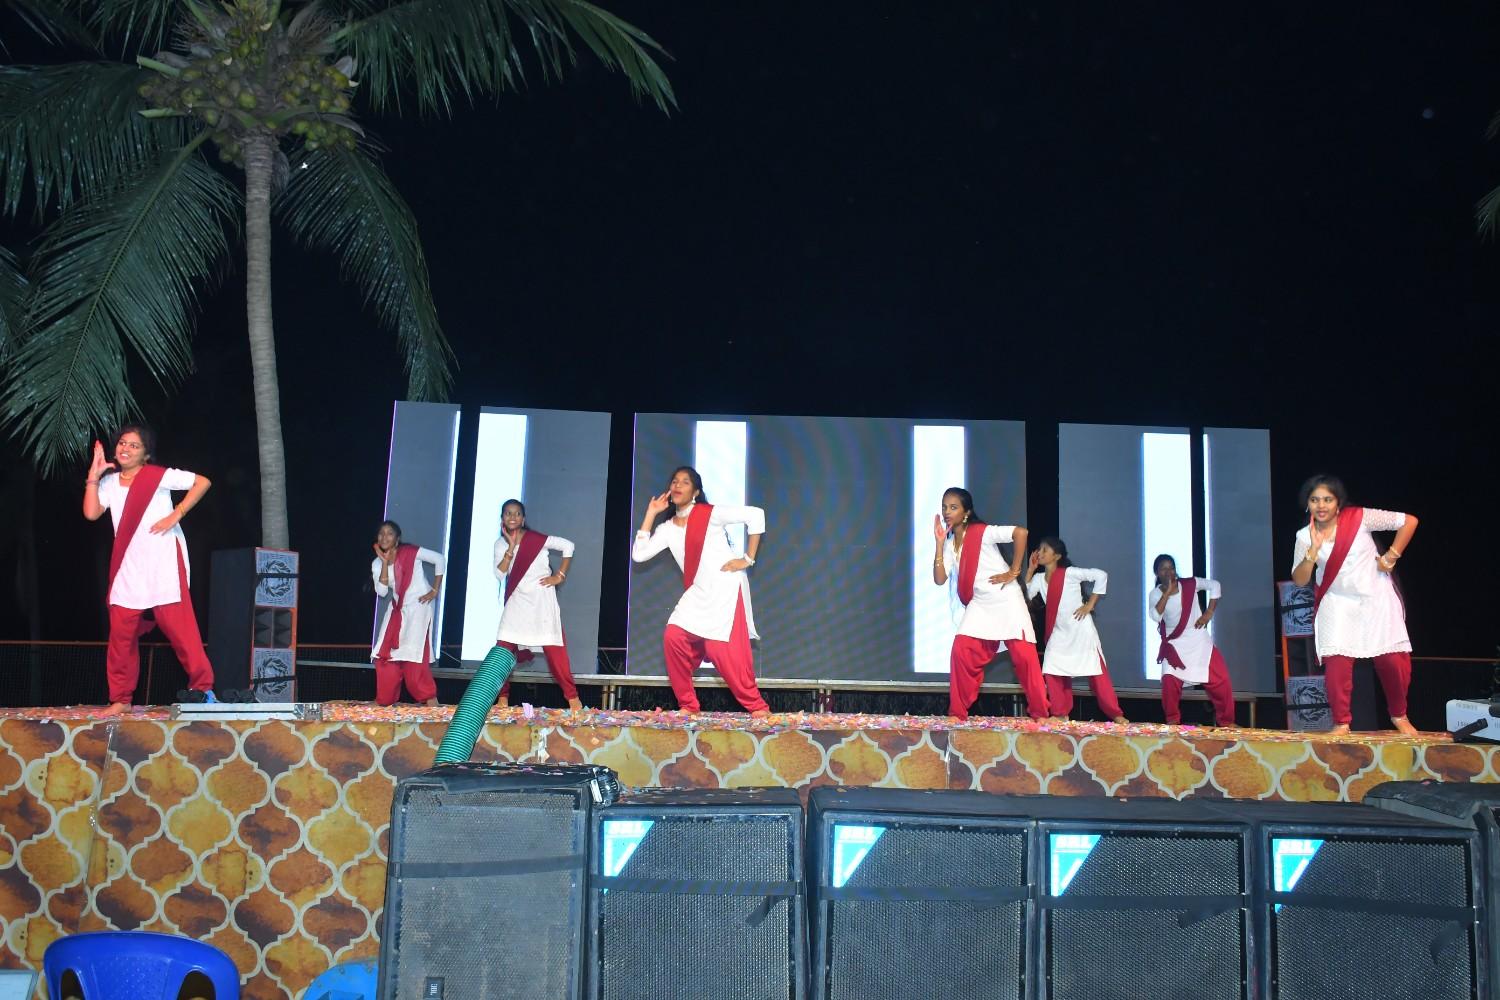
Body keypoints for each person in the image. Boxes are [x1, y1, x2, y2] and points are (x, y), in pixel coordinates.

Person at [83, 425, 216, 714]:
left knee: (181, 631)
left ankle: (203, 690)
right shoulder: (109, 483)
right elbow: (91, 513)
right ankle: (121, 699)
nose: (126, 448)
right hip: (129, 566)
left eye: (134, 445)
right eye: (122, 443)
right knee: (121, 636)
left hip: (162, 561)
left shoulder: (157, 476)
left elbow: (202, 482)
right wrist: (93, 475)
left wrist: (176, 514)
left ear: (145, 454)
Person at [630, 466, 770, 718]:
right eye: (674, 481)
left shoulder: (709, 514)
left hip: (725, 587)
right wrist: (651, 513)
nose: (677, 485)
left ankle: (757, 707)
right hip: (699, 591)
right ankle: (688, 705)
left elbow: (756, 514)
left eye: (685, 482)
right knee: (673, 636)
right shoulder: (667, 529)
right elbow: (639, 555)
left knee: (719, 650)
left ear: (695, 492)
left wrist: (747, 558)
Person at [1290, 475, 1419, 736]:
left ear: (1338, 503)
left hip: (1376, 598)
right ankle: (1341, 723)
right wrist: (1312, 553)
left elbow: (1409, 521)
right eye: (1315, 500)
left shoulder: (1361, 517)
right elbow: (1300, 579)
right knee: (1337, 663)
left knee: (1393, 661)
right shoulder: (1304, 536)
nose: (1321, 505)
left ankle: (1399, 715)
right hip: (1337, 602)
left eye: (1327, 499)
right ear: (1307, 504)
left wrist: (1391, 556)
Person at [932, 487, 1048, 721]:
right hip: (980, 604)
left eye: (953, 507)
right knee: (961, 651)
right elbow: (940, 579)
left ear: (966, 512)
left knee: (1025, 658)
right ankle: (957, 712)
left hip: (1006, 599)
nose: (947, 512)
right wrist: (939, 543)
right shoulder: (950, 543)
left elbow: (1021, 533)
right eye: (944, 507)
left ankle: (1040, 713)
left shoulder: (982, 532)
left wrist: (1014, 571)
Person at [1024, 537, 1128, 723]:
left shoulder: (1070, 573)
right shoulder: (1039, 579)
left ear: (1057, 556)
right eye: (1039, 549)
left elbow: (1101, 575)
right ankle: (1060, 713)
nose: (1040, 553)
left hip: (1081, 631)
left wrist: (1090, 605)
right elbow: (1026, 594)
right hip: (1059, 632)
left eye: (1045, 550)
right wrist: (1031, 570)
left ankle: (1116, 713)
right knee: (1052, 668)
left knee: (1096, 672)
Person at [492, 499, 583, 711]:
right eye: (508, 513)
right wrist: (511, 548)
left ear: (523, 519)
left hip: (542, 601)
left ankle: (573, 700)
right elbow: (499, 574)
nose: (512, 517)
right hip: (517, 602)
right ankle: (502, 698)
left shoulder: (537, 540)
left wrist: (559, 576)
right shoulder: (500, 544)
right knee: (502, 650)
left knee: (555, 652)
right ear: (502, 518)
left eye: (517, 513)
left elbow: (568, 546)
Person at [1149, 554, 1236, 727]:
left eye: (1171, 567)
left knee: (1222, 680)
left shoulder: (1190, 584)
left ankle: (1227, 722)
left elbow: (1215, 585)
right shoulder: (1155, 594)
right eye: (1163, 569)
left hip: (1198, 640)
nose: (1168, 571)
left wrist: (1209, 612)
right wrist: (1167, 593)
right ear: (1157, 573)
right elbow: (1155, 616)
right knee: (1169, 681)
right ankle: (1173, 721)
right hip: (1175, 644)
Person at [370, 520, 443, 707]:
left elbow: (439, 559)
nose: (384, 537)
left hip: (419, 607)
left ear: (397, 538)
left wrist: (434, 590)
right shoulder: (377, 564)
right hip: (397, 610)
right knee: (385, 655)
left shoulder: (411, 552)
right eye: (381, 533)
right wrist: (385, 563)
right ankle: (385, 699)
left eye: (389, 533)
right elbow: (382, 592)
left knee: (414, 656)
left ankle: (430, 701)